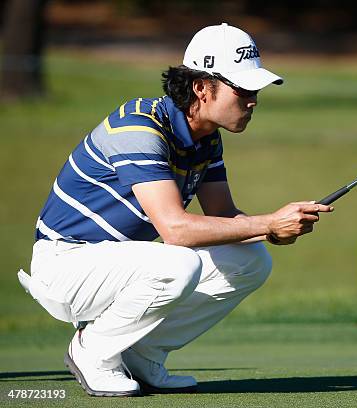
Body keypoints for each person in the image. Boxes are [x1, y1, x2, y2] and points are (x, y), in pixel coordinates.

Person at [17, 23, 333, 397]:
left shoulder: (206, 138)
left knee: (250, 259)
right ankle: (93, 351)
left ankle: (141, 352)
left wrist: (275, 230)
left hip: (115, 264)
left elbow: (225, 216)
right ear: (201, 87)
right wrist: (268, 222)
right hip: (65, 263)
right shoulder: (138, 126)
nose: (253, 100)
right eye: (243, 90)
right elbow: (176, 231)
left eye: (256, 91)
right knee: (179, 263)